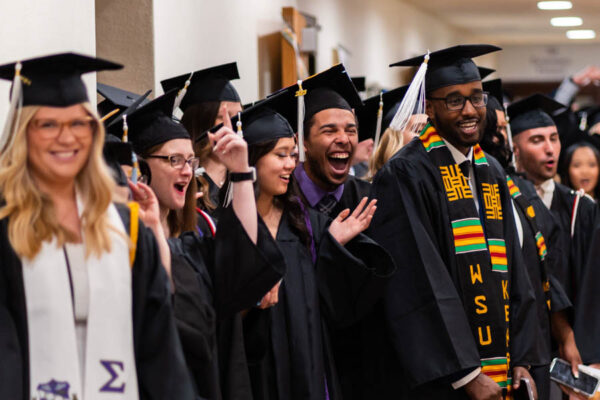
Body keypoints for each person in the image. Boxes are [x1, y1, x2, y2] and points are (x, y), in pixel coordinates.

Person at [0, 52, 194, 399]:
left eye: (78, 123)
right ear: (23, 135)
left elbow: (158, 348)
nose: (66, 137)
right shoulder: (6, 231)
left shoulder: (127, 230)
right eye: (48, 124)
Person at [369, 44, 540, 399]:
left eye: (476, 98)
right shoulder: (406, 174)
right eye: (454, 100)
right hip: (444, 380)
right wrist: (466, 375)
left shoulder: (490, 170)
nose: (470, 110)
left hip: (502, 370)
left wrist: (522, 357)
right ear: (429, 108)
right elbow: (418, 283)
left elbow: (515, 268)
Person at [123, 88, 286, 400]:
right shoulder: (122, 243)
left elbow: (242, 259)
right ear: (139, 168)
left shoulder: (196, 238)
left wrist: (240, 170)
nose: (187, 169)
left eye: (190, 160)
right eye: (173, 159)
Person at [231, 90, 395, 400]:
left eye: (292, 155)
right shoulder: (226, 225)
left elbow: (338, 304)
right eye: (281, 155)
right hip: (256, 369)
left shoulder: (305, 222)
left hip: (311, 366)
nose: (290, 164)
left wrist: (333, 246)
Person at [480, 94, 580, 400]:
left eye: (504, 131)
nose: (502, 140)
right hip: (488, 341)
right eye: (496, 131)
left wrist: (565, 336)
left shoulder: (519, 191)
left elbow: (544, 270)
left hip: (531, 340)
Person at [508, 94, 600, 370]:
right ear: (515, 148)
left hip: (577, 351)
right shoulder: (504, 202)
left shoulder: (580, 207)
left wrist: (590, 352)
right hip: (522, 347)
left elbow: (592, 286)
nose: (550, 149)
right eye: (537, 140)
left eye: (554, 138)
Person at [161, 62, 243, 212]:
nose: (232, 126)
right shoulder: (182, 177)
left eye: (237, 117)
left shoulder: (243, 173)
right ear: (200, 121)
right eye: (221, 117)